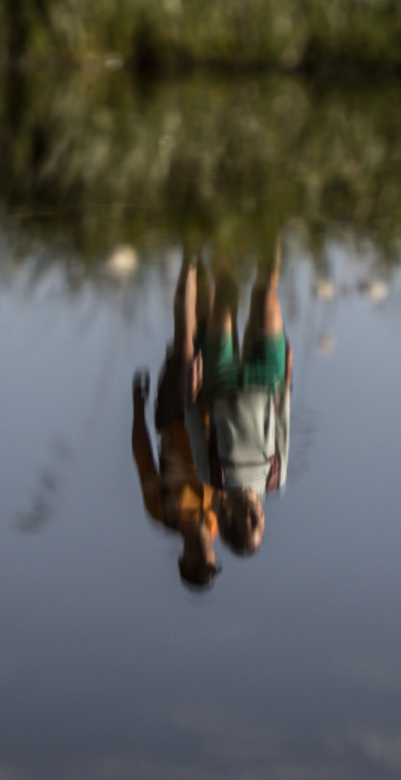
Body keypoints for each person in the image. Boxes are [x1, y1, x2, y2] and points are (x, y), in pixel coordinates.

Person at [184, 240, 291, 560]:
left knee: (225, 294)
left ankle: (223, 226)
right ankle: (270, 223)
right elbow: (283, 423)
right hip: (267, 380)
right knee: (267, 291)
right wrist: (287, 380)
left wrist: (191, 388)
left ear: (231, 520)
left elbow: (194, 423)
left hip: (219, 381)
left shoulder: (212, 475)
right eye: (259, 525)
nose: (256, 518)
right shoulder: (276, 478)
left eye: (249, 525)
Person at [129, 257, 220, 591]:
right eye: (210, 562)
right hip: (212, 412)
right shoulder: (219, 520)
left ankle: (190, 255)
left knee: (184, 343)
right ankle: (209, 251)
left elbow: (143, 457)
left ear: (182, 560)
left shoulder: (162, 513)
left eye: (198, 562)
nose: (205, 555)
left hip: (172, 417)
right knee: (209, 330)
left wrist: (137, 407)